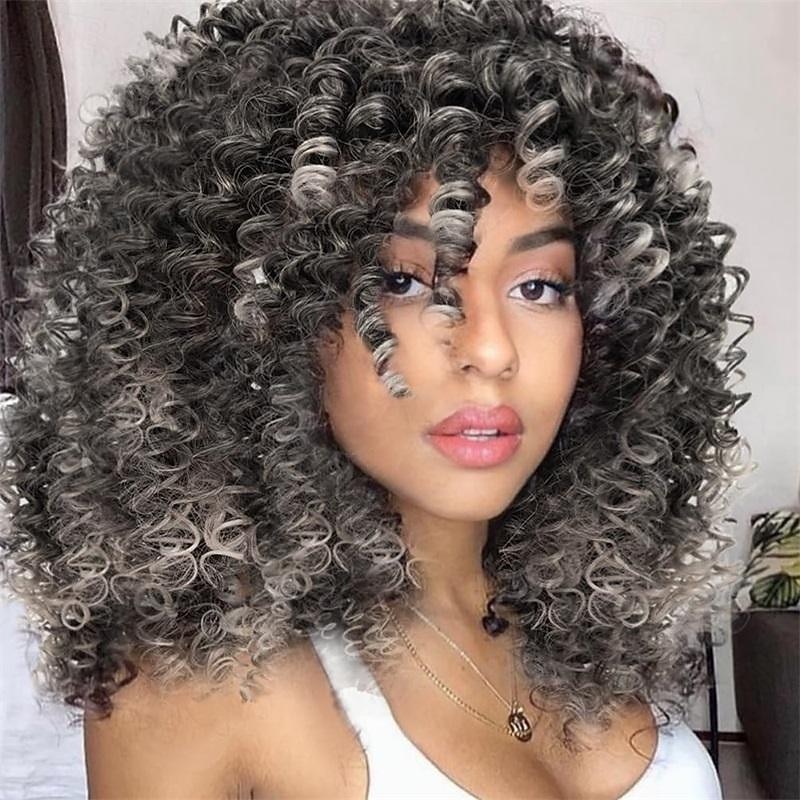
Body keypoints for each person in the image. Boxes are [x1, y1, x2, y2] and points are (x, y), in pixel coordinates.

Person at [0, 0, 753, 797]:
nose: (490, 348)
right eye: (402, 282)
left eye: (539, 286)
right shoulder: (210, 675)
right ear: (261, 316)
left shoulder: (594, 620)